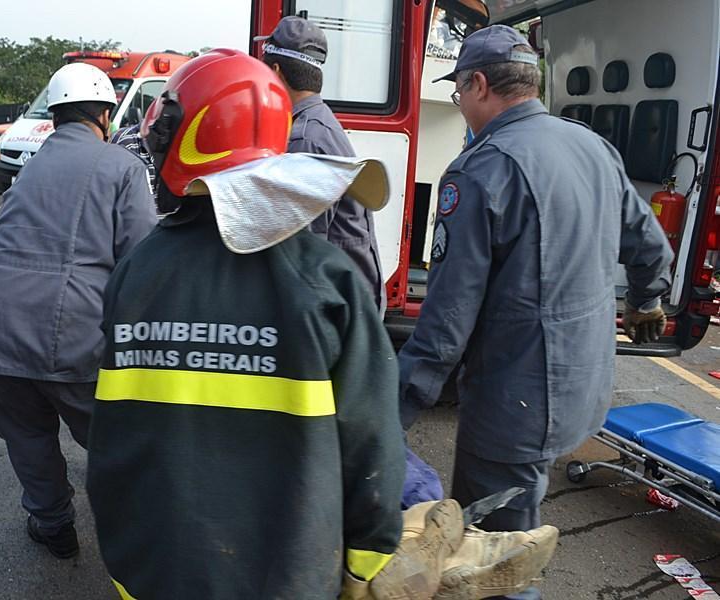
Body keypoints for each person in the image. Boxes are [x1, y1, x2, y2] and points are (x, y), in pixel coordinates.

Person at [86, 49, 558, 600]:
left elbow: (113, 435)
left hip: (148, 572)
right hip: (286, 579)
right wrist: (364, 565)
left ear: (180, 139)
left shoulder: (135, 272)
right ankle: (433, 543)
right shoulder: (326, 279)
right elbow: (370, 449)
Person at [397, 25, 672, 600]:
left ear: (478, 84)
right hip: (582, 387)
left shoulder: (481, 170)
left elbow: (445, 325)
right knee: (511, 535)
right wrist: (648, 299)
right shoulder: (591, 145)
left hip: (514, 407)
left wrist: (390, 413)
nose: (461, 108)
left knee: (493, 560)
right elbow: (649, 245)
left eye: (458, 95)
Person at [0, 62, 156, 559]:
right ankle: (142, 526)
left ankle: (54, 527)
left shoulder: (30, 168)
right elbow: (140, 260)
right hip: (69, 332)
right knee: (114, 437)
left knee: (27, 434)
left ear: (54, 115)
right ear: (105, 115)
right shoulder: (123, 166)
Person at [258, 16, 386, 313]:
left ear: (276, 72)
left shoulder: (305, 139)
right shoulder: (318, 123)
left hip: (337, 307)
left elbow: (301, 250)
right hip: (347, 298)